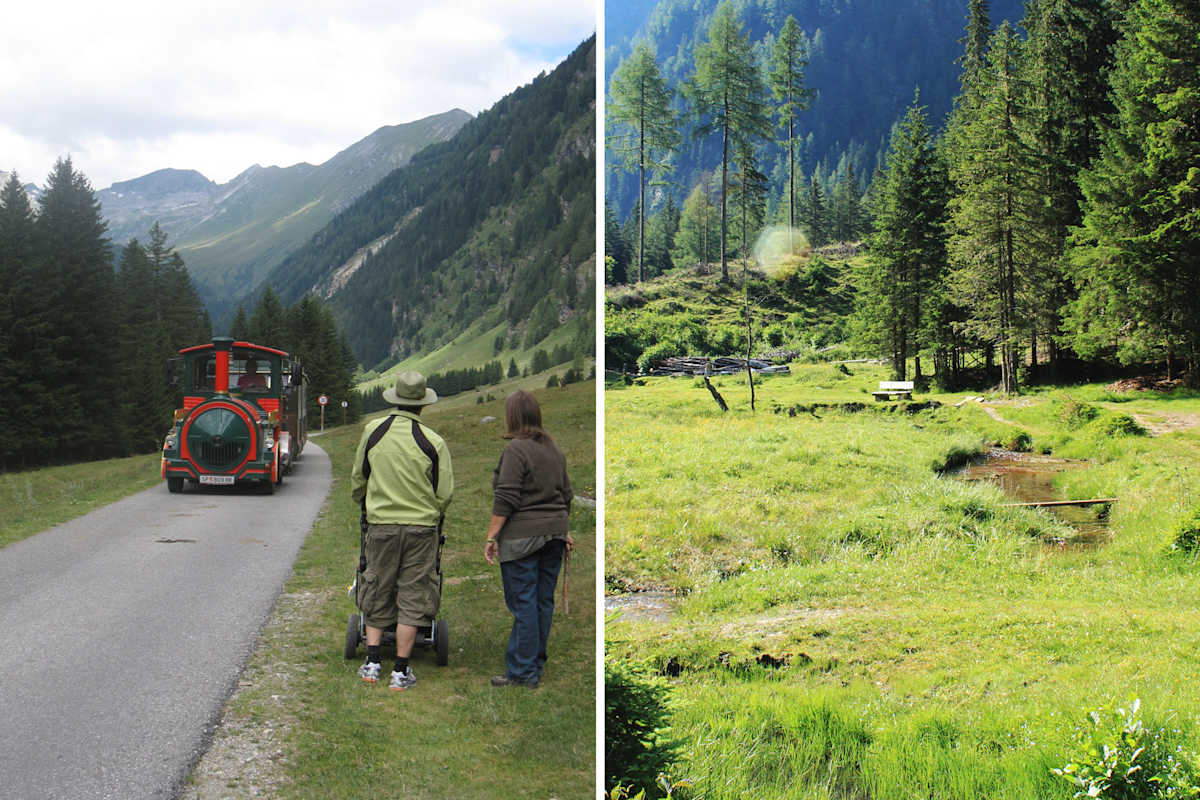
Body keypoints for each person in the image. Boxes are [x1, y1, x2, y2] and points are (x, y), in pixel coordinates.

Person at [350, 371, 453, 691]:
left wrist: (368, 504)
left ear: (395, 399)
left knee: (376, 585)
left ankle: (372, 663)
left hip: (380, 526)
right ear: (422, 405)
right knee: (413, 591)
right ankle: (401, 670)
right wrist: (431, 513)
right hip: (421, 529)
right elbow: (444, 492)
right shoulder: (433, 441)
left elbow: (358, 481)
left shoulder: (373, 432)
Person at [484, 390, 574, 688]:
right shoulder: (554, 449)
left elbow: (507, 495)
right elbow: (566, 494)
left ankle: (522, 672)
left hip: (522, 537)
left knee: (523, 602)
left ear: (513, 417)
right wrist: (565, 530)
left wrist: (492, 535)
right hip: (555, 534)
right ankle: (534, 662)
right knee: (541, 601)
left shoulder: (516, 450)